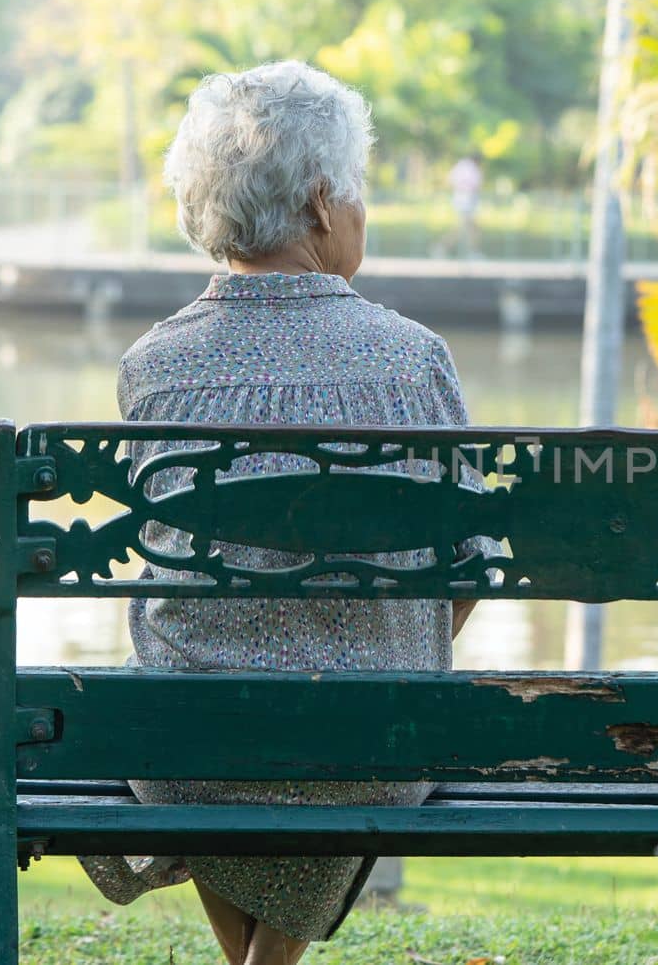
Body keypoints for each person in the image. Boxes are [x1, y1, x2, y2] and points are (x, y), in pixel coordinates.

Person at [77, 61, 482, 965]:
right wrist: (392, 651)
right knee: (347, 734)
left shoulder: (157, 365)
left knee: (210, 707)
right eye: (362, 192)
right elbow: (473, 567)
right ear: (323, 204)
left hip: (188, 746)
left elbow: (168, 558)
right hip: (371, 743)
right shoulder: (413, 361)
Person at [447, 152, 482, 257]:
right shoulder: (470, 168)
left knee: (467, 228)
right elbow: (475, 185)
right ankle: (472, 252)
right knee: (467, 228)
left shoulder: (461, 166)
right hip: (466, 201)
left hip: (463, 200)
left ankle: (472, 252)